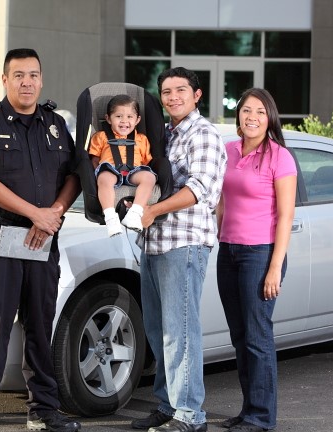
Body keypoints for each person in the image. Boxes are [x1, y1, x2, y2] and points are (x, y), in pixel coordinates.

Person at [0, 48, 82, 432]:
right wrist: (34, 213)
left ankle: (43, 410)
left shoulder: (56, 124)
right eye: (19, 75)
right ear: (5, 79)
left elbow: (74, 176)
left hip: (43, 236)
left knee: (41, 324)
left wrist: (53, 213)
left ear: (42, 80)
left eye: (33, 75)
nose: (27, 82)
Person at [130, 67, 227, 432]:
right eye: (166, 91)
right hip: (154, 243)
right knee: (158, 331)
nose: (172, 97)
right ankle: (168, 405)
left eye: (180, 90)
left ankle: (189, 415)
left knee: (180, 331)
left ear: (196, 95)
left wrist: (151, 210)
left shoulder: (202, 134)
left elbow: (200, 189)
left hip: (183, 243)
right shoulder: (163, 135)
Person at [215, 88, 297, 432]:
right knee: (239, 335)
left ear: (270, 118)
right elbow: (220, 201)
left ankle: (261, 417)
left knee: (257, 336)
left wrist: (275, 266)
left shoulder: (280, 157)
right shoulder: (228, 150)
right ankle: (249, 409)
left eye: (260, 112)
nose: (252, 117)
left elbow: (286, 215)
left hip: (260, 254)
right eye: (246, 110)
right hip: (228, 251)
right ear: (238, 116)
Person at [88, 94, 157, 237]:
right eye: (118, 116)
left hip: (134, 171)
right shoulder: (101, 136)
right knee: (105, 177)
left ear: (137, 120)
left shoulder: (142, 139)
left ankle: (135, 213)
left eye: (130, 117)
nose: (124, 121)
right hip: (110, 169)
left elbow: (146, 162)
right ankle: (110, 216)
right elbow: (94, 159)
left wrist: (143, 174)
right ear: (108, 118)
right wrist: (98, 174)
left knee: (149, 177)